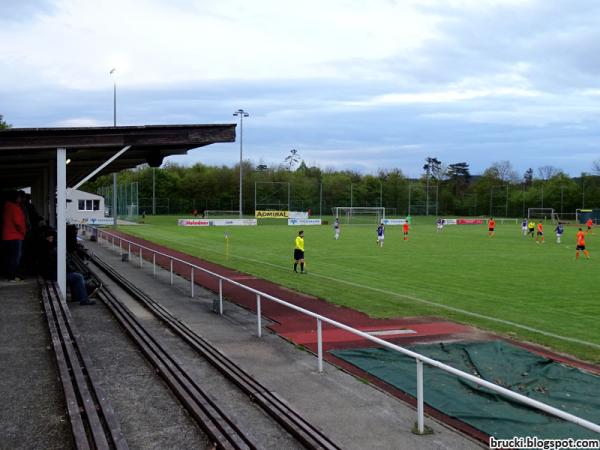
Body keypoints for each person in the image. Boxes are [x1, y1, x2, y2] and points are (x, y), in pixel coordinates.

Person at [40, 227, 97, 305]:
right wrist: (71, 269)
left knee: (75, 275)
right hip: (52, 274)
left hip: (49, 272)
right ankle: (84, 299)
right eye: (51, 237)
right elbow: (60, 264)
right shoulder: (51, 248)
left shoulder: (46, 246)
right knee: (78, 277)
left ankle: (80, 294)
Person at [2, 190, 27, 282]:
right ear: (15, 198)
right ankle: (12, 276)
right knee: (15, 258)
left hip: (6, 236)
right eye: (19, 197)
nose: (20, 199)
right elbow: (18, 223)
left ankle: (8, 275)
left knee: (8, 257)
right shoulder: (15, 208)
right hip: (15, 236)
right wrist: (23, 232)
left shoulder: (6, 206)